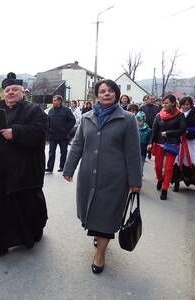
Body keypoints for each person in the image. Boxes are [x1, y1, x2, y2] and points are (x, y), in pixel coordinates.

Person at [63, 79, 142, 274]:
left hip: (115, 179)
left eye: (110, 90)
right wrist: (69, 169)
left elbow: (133, 152)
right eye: (102, 91)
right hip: (88, 175)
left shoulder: (127, 119)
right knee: (92, 212)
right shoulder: (87, 117)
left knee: (107, 216)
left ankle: (100, 255)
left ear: (116, 94)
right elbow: (77, 145)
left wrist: (135, 181)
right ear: (96, 95)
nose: (106, 93)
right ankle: (99, 237)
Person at [0, 72, 49, 257]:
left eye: (15, 90)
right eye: (7, 90)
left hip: (24, 170)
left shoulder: (34, 110)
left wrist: (15, 133)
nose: (10, 93)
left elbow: (40, 132)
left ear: (23, 92)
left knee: (26, 206)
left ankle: (31, 235)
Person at [147, 94, 186, 200]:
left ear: (173, 103)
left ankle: (165, 189)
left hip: (172, 144)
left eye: (166, 103)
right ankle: (160, 179)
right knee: (158, 167)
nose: (164, 105)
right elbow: (154, 131)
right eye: (163, 103)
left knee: (168, 168)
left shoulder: (180, 115)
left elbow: (183, 130)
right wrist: (150, 142)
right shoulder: (159, 115)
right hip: (159, 144)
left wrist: (168, 133)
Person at [172, 96, 195, 191]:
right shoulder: (177, 112)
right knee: (177, 161)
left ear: (191, 104)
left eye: (187, 104)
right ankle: (176, 183)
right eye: (183, 104)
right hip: (179, 141)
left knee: (192, 161)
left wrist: (188, 131)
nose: (185, 106)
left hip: (192, 143)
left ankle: (192, 179)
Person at [46, 95, 75, 173]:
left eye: (55, 100)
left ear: (59, 101)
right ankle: (50, 168)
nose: (53, 102)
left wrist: (66, 129)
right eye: (53, 100)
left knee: (63, 152)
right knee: (51, 152)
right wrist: (48, 130)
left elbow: (72, 121)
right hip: (53, 135)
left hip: (63, 136)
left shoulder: (66, 110)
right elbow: (48, 122)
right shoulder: (51, 111)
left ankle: (62, 167)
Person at [140, 95, 161, 159]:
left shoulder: (157, 108)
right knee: (145, 139)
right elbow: (140, 117)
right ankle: (145, 152)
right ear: (147, 100)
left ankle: (149, 152)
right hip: (145, 126)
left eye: (153, 99)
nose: (152, 100)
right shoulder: (142, 107)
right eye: (151, 99)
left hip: (154, 126)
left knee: (152, 139)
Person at [136, 111, 152, 176]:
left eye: (141, 121)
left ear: (144, 121)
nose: (139, 122)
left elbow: (150, 140)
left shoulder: (148, 130)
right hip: (135, 149)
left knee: (141, 163)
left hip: (143, 149)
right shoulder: (133, 128)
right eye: (138, 120)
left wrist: (149, 145)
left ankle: (140, 174)